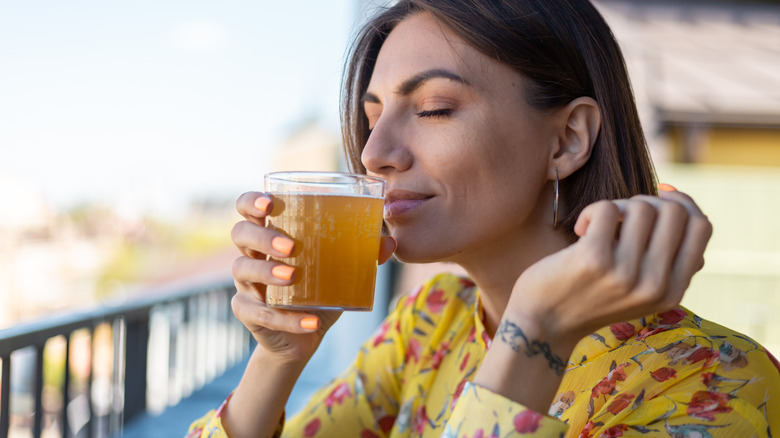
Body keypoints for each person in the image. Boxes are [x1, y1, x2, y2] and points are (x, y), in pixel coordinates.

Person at [188, 0, 780, 436]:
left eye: (434, 109)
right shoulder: (432, 324)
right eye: (373, 117)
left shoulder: (713, 385)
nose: (373, 154)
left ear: (567, 139)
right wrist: (278, 354)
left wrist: (536, 333)